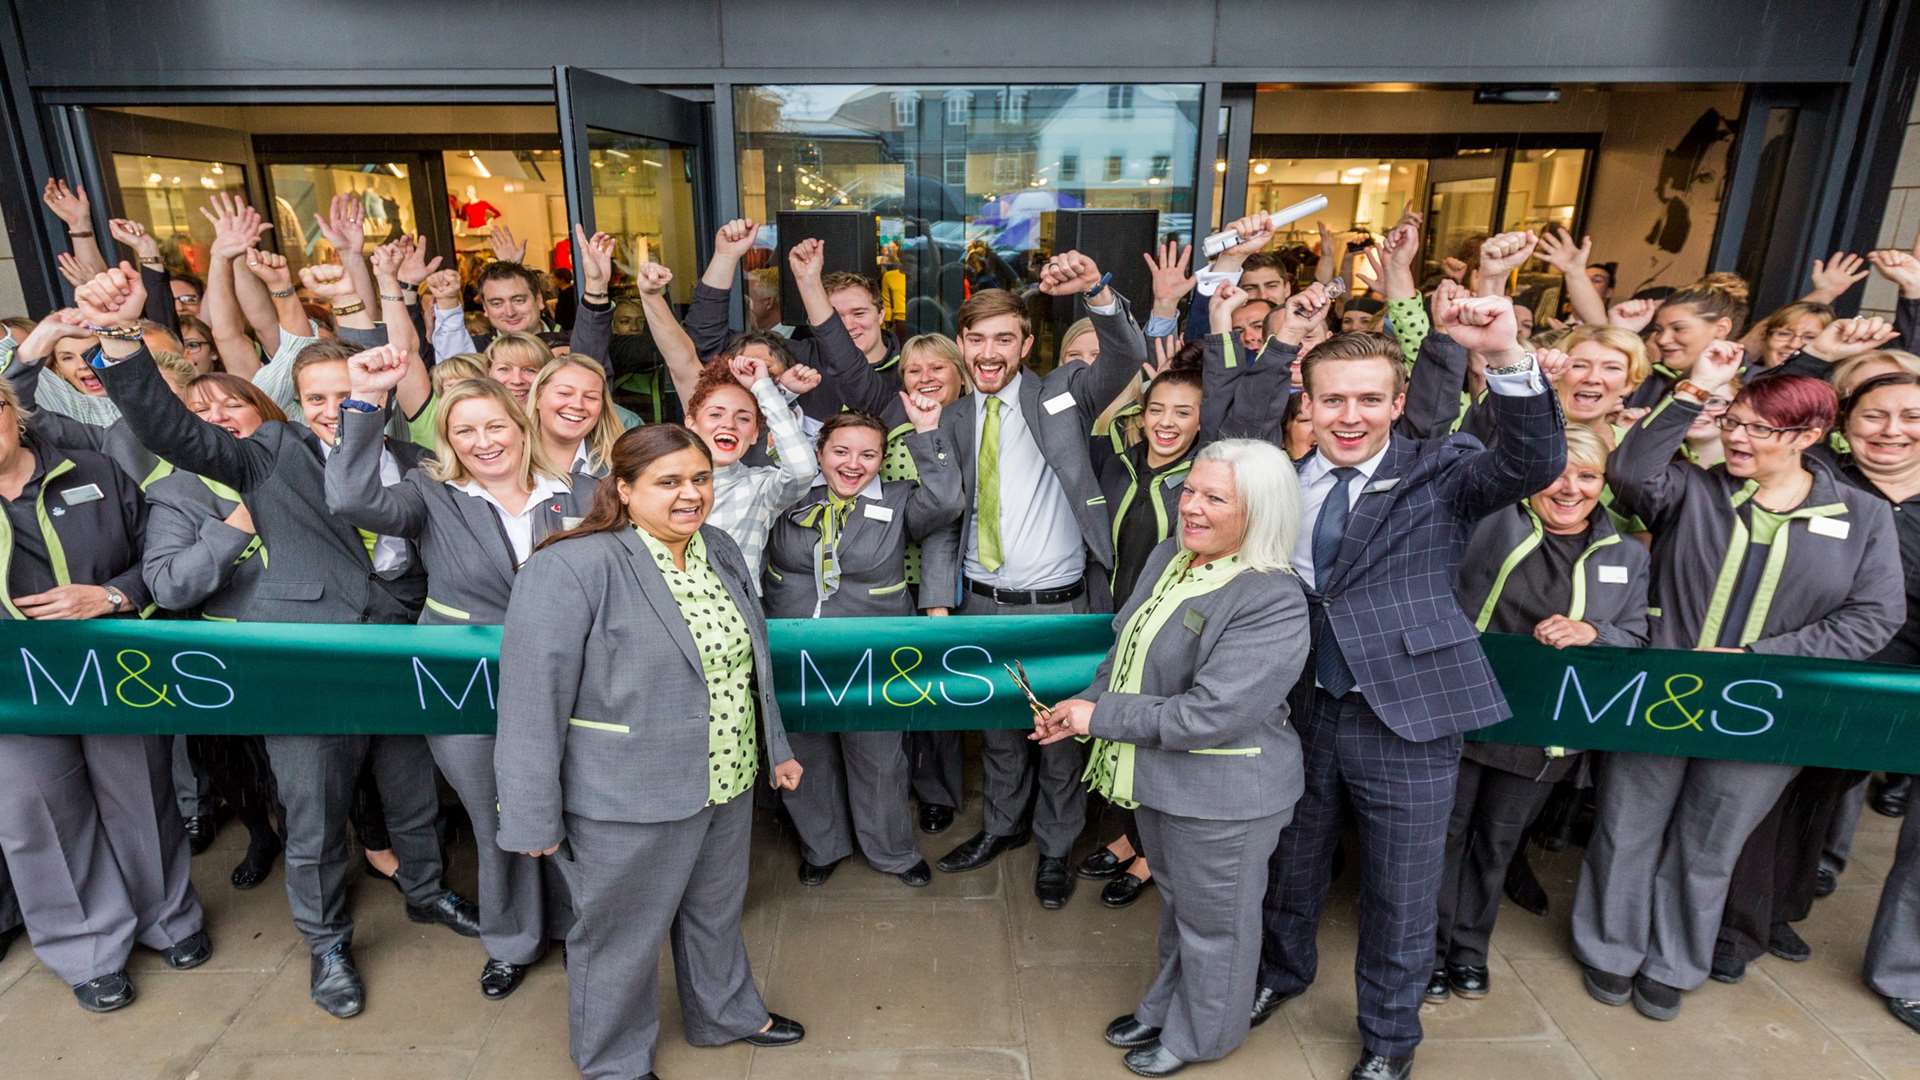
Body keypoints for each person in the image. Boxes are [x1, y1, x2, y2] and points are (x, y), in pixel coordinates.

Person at [80, 264, 481, 1020]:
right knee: (315, 814)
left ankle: (426, 893)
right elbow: (168, 429)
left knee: (412, 794)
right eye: (317, 398)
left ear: (379, 389)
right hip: (307, 662)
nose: (333, 411)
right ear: (297, 402)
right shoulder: (264, 453)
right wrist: (123, 337)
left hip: (400, 653)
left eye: (346, 393)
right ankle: (326, 943)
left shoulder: (422, 461)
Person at [1253, 292, 1567, 1080]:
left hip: (1409, 716)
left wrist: (1505, 357)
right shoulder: (1282, 482)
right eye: (1333, 400)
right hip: (1299, 710)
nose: (1349, 416)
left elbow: (1533, 462)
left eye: (1368, 399)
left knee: (1400, 888)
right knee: (1291, 865)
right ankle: (1280, 976)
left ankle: (1390, 1038)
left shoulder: (1445, 468)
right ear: (1310, 403)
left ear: (1397, 402)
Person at [1573, 342, 1903, 1022]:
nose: (1738, 437)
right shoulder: (1695, 488)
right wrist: (1695, 390)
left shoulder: (1861, 517)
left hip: (1767, 708)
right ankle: (1609, 948)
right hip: (1664, 693)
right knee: (1626, 826)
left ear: (1810, 435)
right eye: (1735, 422)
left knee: (1712, 842)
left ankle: (1674, 962)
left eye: (1759, 428)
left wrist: (1759, 653)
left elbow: (1874, 617)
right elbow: (1631, 470)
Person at [495, 424, 807, 1080]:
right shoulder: (571, 566)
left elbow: (749, 665)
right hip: (625, 793)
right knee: (618, 940)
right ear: (625, 489)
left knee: (715, 914)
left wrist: (773, 747)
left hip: (724, 777)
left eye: (700, 478)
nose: (691, 494)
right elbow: (530, 702)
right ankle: (611, 1061)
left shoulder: (715, 547)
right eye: (669, 482)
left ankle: (724, 1013)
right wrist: (531, 816)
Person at [1038, 438, 1309, 1077]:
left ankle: (1202, 1038)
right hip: (1163, 780)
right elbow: (1123, 656)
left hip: (1228, 794)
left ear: (1260, 513)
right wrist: (1081, 702)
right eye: (1190, 490)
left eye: (1216, 498)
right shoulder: (1170, 556)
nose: (1192, 506)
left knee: (1219, 928)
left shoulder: (1270, 597)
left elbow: (1209, 715)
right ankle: (1167, 1007)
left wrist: (1098, 718)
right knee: (1182, 912)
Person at [327, 352, 592, 1001]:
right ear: (447, 442)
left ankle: (583, 927)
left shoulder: (580, 492)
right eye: (465, 431)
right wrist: (363, 402)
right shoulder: (430, 496)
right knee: (496, 812)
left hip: (567, 683)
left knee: (574, 803)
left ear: (522, 427)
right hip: (465, 683)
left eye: (495, 426)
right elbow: (350, 496)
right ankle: (512, 941)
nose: (484, 442)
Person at [922, 251, 1146, 910]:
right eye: (977, 339)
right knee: (997, 730)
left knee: (1058, 739)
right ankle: (1001, 828)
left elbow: (1126, 357)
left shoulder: (1062, 393)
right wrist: (939, 599)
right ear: (962, 346)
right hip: (981, 604)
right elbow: (944, 517)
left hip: (1059, 605)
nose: (989, 351)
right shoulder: (956, 418)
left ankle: (1054, 847)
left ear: (1025, 344)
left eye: (1004, 339)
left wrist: (1099, 292)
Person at [0, 371, 215, 1016]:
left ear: (13, 412)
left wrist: (113, 596)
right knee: (36, 815)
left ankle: (168, 920)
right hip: (12, 691)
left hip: (113, 668)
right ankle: (87, 948)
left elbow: (157, 556)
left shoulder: (93, 468)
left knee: (141, 793)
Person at [1430, 425, 1649, 1005]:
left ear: (1604, 484)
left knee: (1497, 843)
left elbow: (1637, 636)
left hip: (1541, 732)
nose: (1570, 488)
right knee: (1442, 837)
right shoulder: (1487, 521)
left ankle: (1468, 951)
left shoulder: (1625, 554)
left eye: (1588, 475)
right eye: (1558, 472)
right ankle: (1426, 950)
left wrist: (1593, 631)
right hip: (1462, 712)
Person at [763, 405, 962, 887]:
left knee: (878, 757)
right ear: (819, 453)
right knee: (804, 752)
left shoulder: (898, 500)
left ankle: (892, 851)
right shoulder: (789, 496)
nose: (854, 464)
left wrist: (928, 432)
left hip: (871, 652)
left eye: (868, 455)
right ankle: (822, 845)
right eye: (841, 451)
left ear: (882, 459)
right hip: (794, 650)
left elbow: (948, 500)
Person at [141, 372, 289, 891]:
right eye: (200, 412)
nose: (218, 418)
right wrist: (239, 524)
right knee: (235, 764)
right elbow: (169, 587)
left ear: (263, 411)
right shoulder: (175, 493)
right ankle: (261, 835)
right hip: (224, 654)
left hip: (304, 643)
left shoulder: (300, 465)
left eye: (231, 404)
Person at [682, 352, 818, 580]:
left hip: (735, 610)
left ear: (755, 433)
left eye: (743, 418)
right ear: (691, 423)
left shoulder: (760, 487)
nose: (729, 424)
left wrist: (764, 388)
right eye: (716, 414)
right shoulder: (662, 481)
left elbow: (802, 470)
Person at [527, 354, 623, 485]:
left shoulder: (621, 465)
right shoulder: (507, 459)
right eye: (564, 393)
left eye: (590, 397)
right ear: (538, 396)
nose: (578, 405)